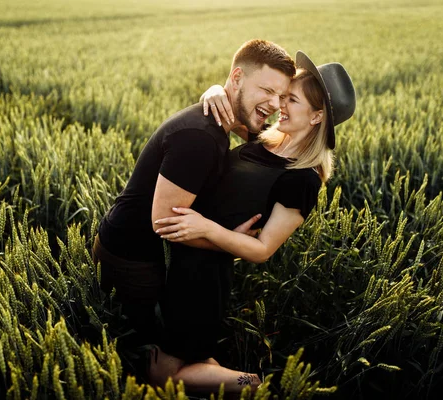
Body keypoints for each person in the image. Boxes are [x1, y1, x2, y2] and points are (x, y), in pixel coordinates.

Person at [150, 50, 356, 394]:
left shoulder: (302, 179)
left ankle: (253, 384)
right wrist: (214, 90)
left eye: (291, 99)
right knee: (184, 358)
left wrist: (208, 229)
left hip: (202, 276)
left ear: (317, 116)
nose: (279, 106)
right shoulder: (265, 140)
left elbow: (263, 249)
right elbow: (233, 102)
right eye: (281, 96)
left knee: (165, 377)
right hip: (181, 256)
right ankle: (219, 372)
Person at [91, 39, 295, 374]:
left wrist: (216, 89)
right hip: (129, 258)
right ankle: (249, 384)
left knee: (182, 351)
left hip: (147, 253)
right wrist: (228, 240)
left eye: (282, 96)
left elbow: (258, 139)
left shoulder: (224, 119)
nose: (274, 104)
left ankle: (236, 382)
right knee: (149, 358)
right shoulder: (200, 138)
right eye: (267, 90)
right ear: (238, 77)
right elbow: (164, 224)